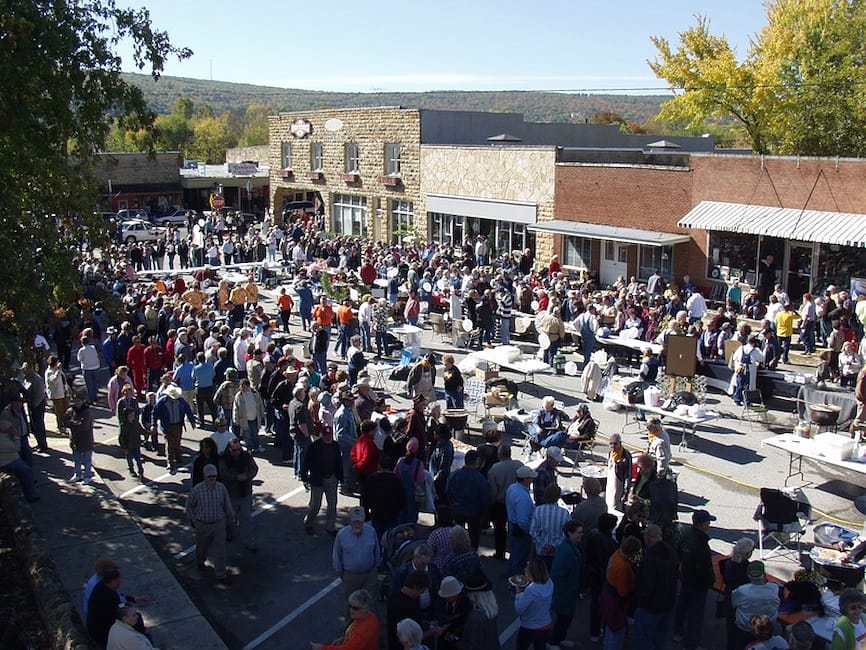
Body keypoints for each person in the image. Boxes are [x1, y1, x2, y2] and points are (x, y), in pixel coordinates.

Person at [674, 510, 717, 650]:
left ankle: (677, 632)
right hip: (698, 584)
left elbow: (679, 552)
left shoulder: (685, 534)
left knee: (682, 606)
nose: (709, 525)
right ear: (703, 524)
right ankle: (691, 644)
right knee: (695, 616)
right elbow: (704, 568)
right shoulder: (701, 544)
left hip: (685, 577)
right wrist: (710, 581)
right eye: (708, 523)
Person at [185, 463, 235, 583]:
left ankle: (221, 574)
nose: (212, 478)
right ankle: (200, 562)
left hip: (219, 523)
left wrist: (231, 515)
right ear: (204, 477)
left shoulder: (221, 488)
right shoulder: (197, 490)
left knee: (220, 550)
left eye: (214, 476)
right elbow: (189, 506)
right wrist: (194, 520)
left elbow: (227, 503)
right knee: (202, 548)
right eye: (209, 476)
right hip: (202, 524)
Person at [633, 524, 679, 650]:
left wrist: (639, 601)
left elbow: (645, 586)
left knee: (644, 641)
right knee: (661, 640)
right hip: (668, 604)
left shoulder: (650, 559)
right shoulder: (671, 552)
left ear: (648, 539)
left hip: (650, 608)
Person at [333, 506, 381, 606]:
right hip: (351, 577)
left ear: (363, 520)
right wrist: (342, 574)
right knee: (351, 606)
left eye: (359, 521)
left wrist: (375, 568)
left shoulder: (371, 531)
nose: (357, 524)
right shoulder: (342, 535)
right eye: (354, 521)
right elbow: (337, 556)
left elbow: (377, 551)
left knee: (370, 605)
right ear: (350, 521)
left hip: (369, 575)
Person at [601, 535, 642, 650]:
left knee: (609, 630)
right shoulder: (624, 567)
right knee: (616, 634)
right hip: (616, 601)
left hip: (607, 594)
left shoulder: (617, 554)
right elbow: (623, 591)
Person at [445, 449, 491, 550]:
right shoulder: (480, 478)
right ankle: (472, 553)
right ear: (477, 462)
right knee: (474, 536)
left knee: (457, 534)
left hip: (458, 509)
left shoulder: (455, 475)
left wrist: (452, 504)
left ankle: (456, 551)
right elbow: (485, 497)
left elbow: (448, 491)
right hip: (474, 512)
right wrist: (483, 512)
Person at [549, 520, 584, 649]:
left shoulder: (571, 546)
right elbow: (557, 574)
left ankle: (559, 639)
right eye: (578, 533)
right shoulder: (566, 550)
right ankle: (553, 641)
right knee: (564, 618)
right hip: (565, 592)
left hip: (569, 590)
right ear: (570, 533)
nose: (581, 535)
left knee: (565, 618)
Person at [219, 437, 259, 552]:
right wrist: (235, 477)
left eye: (239, 450)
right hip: (231, 493)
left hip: (245, 492)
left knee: (246, 518)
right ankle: (229, 533)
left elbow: (254, 469)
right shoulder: (224, 459)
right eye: (234, 450)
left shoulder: (246, 456)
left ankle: (249, 541)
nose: (237, 452)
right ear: (229, 450)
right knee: (230, 518)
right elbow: (223, 473)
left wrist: (247, 476)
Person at [302, 426, 343, 536]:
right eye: (326, 435)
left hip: (331, 479)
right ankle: (308, 523)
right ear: (322, 435)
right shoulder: (314, 447)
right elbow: (306, 462)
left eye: (329, 435)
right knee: (315, 505)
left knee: (332, 505)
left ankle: (330, 527)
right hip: (318, 480)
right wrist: (304, 477)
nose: (328, 437)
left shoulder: (335, 445)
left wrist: (340, 477)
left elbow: (339, 462)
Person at [731, 561, 781, 650]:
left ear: (748, 575)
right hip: (767, 630)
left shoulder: (741, 590)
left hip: (745, 629)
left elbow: (734, 604)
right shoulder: (774, 588)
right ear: (764, 574)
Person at [585, 513, 619, 643]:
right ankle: (602, 629)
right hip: (604, 577)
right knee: (605, 605)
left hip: (593, 574)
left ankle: (594, 631)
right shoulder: (610, 543)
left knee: (595, 604)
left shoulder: (593, 534)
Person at [309, 588, 379, 650]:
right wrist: (344, 638)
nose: (351, 610)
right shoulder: (366, 617)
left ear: (366, 609)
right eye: (350, 606)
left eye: (355, 608)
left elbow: (348, 648)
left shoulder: (364, 631)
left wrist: (322, 648)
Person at [0, 391, 39, 501]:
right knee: (23, 464)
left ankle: (30, 479)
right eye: (18, 402)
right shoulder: (6, 414)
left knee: (29, 460)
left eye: (21, 402)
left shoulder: (19, 410)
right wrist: (15, 436)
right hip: (16, 441)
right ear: (13, 403)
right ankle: (29, 493)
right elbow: (8, 431)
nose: (21, 404)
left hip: (23, 437)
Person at [487, 445, 522, 562]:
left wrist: (491, 503)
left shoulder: (495, 469)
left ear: (499, 454)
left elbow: (492, 490)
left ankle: (500, 553)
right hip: (517, 502)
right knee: (516, 527)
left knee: (500, 529)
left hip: (500, 503)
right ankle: (515, 553)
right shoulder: (519, 465)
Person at [360, 455, 406, 540]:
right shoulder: (396, 480)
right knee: (389, 539)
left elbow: (365, 497)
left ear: (379, 465)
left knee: (376, 538)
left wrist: (366, 511)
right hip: (392, 514)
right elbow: (402, 498)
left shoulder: (372, 478)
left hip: (376, 513)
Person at [152, 384, 195, 475]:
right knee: (169, 443)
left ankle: (178, 457)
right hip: (167, 426)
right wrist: (154, 425)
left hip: (178, 425)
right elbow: (155, 413)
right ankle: (170, 462)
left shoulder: (181, 401)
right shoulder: (161, 403)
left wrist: (192, 421)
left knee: (177, 442)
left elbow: (188, 410)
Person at [723, 538, 757, 650]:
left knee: (730, 632)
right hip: (743, 604)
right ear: (748, 554)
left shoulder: (728, 564)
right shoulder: (747, 569)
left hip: (730, 600)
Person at [513, 557, 554, 650]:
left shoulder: (530, 590)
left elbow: (518, 609)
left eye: (527, 569)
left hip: (529, 627)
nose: (525, 570)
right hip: (545, 625)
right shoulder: (550, 582)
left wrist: (518, 593)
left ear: (533, 573)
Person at [529, 484, 570, 569]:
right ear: (558, 497)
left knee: (539, 576)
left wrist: (544, 545)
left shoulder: (538, 510)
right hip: (557, 552)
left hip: (541, 551)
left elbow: (533, 531)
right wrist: (554, 545)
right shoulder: (564, 513)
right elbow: (567, 533)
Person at [506, 465, 536, 576]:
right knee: (520, 558)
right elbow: (522, 520)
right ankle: (516, 583)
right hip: (520, 529)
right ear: (525, 479)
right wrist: (530, 532)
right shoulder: (522, 496)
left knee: (514, 554)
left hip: (512, 525)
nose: (532, 479)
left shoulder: (512, 488)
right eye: (530, 478)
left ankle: (511, 576)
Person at [65, 392, 95, 484]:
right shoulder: (70, 410)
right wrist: (76, 423)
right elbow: (65, 421)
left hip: (86, 440)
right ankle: (78, 474)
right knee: (76, 459)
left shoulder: (87, 412)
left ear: (83, 401)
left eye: (78, 401)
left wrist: (72, 423)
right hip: (75, 439)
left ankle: (87, 476)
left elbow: (84, 426)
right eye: (75, 401)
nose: (76, 403)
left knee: (87, 460)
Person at [395, 437, 427, 524]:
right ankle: (409, 534)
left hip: (401, 492)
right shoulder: (418, 463)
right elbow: (420, 480)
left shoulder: (400, 461)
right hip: (413, 494)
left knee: (401, 515)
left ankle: (399, 533)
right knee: (411, 517)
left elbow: (396, 475)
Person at [606, 433, 632, 513]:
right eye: (611, 443)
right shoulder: (611, 453)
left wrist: (626, 492)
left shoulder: (625, 456)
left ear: (620, 443)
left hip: (619, 486)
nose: (613, 446)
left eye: (615, 444)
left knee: (616, 508)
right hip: (610, 485)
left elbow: (628, 475)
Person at [119, 407, 146, 478]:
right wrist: (124, 448)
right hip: (128, 446)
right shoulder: (124, 426)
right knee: (130, 459)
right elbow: (121, 438)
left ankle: (141, 472)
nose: (132, 417)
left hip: (136, 445)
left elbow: (142, 431)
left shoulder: (136, 423)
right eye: (130, 416)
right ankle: (131, 470)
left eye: (133, 415)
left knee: (138, 460)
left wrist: (149, 433)